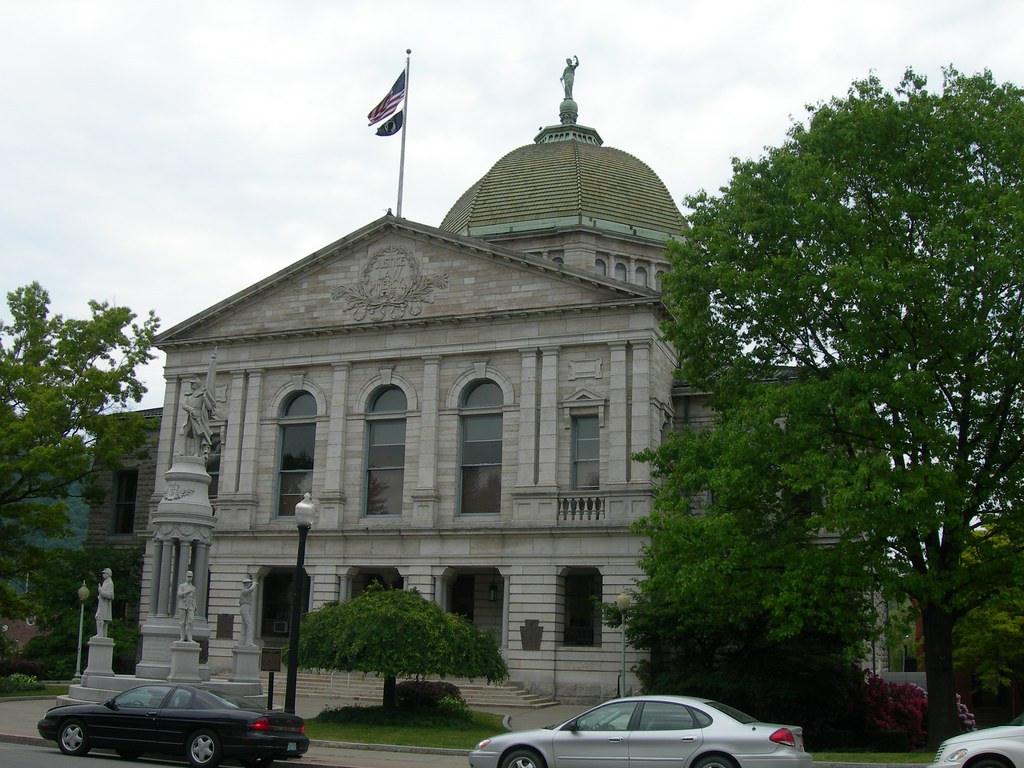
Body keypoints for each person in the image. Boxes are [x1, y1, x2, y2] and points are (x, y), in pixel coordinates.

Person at [177, 571, 197, 642]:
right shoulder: (182, 586)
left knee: (191, 621)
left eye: (191, 577)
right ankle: (182, 637)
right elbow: (179, 594)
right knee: (182, 622)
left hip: (190, 606)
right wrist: (187, 591)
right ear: (186, 577)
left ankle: (189, 637)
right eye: (188, 576)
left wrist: (195, 606)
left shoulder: (193, 588)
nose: (189, 578)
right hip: (183, 605)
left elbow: (194, 598)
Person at [94, 568, 114, 638]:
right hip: (102, 604)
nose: (103, 574)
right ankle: (101, 634)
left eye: (104, 573)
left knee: (100, 618)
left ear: (108, 574)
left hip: (105, 605)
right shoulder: (105, 582)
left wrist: (101, 592)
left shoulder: (110, 583)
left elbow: (110, 595)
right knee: (99, 618)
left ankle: (101, 634)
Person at [238, 575, 257, 646]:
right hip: (245, 607)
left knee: (244, 626)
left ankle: (242, 642)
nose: (250, 584)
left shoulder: (247, 592)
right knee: (250, 625)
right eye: (249, 583)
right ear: (246, 584)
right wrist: (254, 583)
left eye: (250, 583)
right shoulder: (244, 591)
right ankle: (249, 642)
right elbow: (251, 589)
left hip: (247, 607)